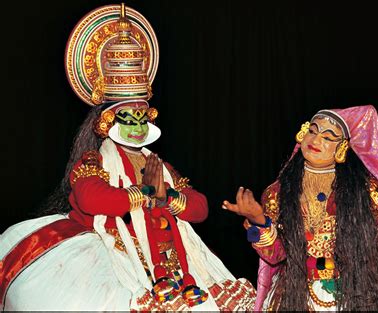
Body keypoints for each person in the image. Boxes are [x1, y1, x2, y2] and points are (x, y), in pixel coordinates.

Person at [0, 4, 255, 311]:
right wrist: (145, 193)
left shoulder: (161, 166)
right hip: (116, 257)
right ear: (107, 122)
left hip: (174, 262)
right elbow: (92, 199)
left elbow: (199, 208)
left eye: (141, 116)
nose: (136, 125)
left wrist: (168, 196)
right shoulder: (94, 162)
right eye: (127, 118)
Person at [223, 105, 378, 311]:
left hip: (358, 293)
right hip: (296, 295)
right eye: (313, 131)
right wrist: (258, 221)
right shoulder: (279, 191)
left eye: (328, 137)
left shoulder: (363, 189)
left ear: (342, 148)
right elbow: (276, 254)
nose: (316, 139)